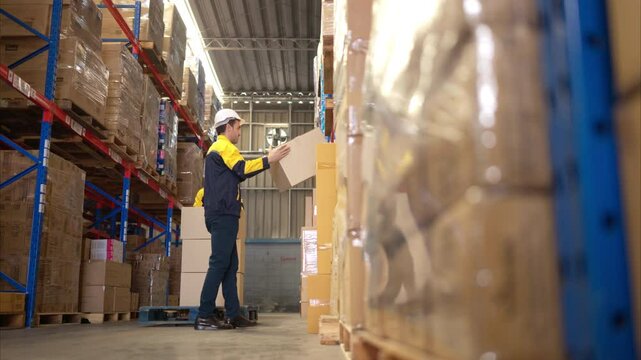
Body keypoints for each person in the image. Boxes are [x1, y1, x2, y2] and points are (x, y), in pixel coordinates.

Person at [195, 109, 290, 331]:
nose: (239, 132)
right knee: (219, 264)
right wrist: (270, 159)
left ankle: (233, 314)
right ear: (228, 127)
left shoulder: (218, 149)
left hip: (222, 213)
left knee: (230, 266)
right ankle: (204, 315)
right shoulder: (224, 147)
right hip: (223, 214)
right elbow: (243, 169)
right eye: (238, 128)